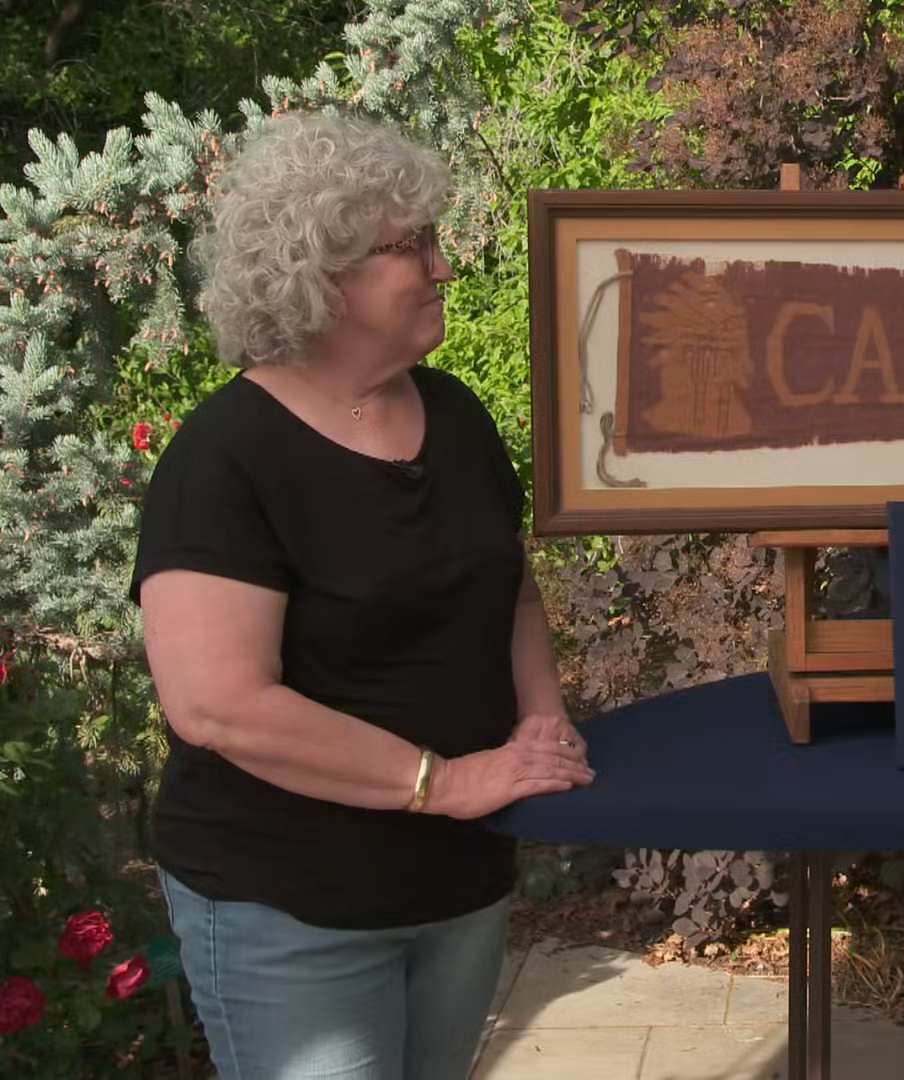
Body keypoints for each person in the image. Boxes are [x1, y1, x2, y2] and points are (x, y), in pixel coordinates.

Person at [131, 111, 595, 1079]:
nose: (443, 267)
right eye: (412, 246)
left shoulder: (456, 417)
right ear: (325, 275)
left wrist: (542, 720)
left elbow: (510, 595)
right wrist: (449, 782)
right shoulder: (225, 459)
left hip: (459, 887)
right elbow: (219, 705)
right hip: (289, 909)